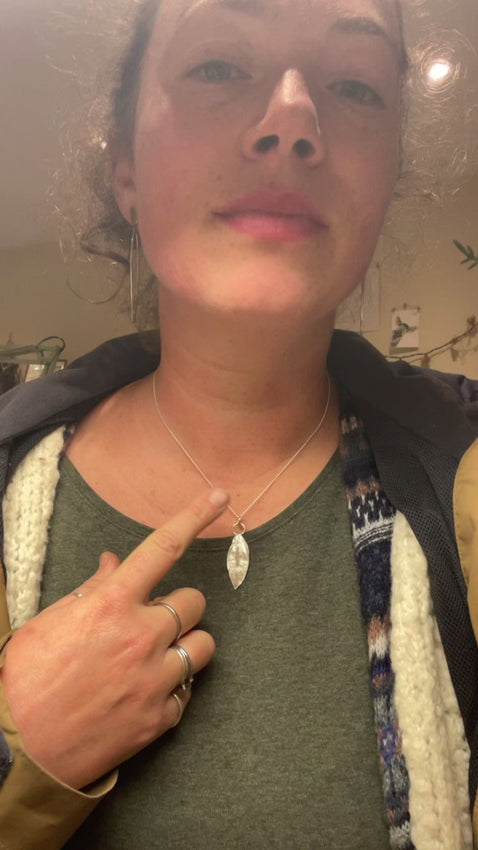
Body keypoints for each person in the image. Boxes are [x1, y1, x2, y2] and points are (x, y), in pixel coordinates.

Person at [0, 0, 477, 847]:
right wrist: (17, 759)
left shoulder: (465, 482)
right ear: (125, 169)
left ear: (388, 178)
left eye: (354, 86)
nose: (293, 118)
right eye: (218, 66)